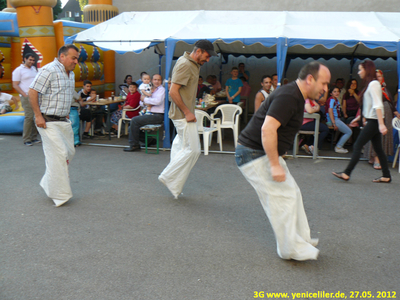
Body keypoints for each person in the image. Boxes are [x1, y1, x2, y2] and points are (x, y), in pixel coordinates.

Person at [235, 61, 330, 260]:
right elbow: (267, 129)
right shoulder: (289, 95)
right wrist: (274, 164)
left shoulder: (295, 95)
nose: (325, 89)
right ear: (310, 79)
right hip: (253, 153)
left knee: (292, 193)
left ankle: (301, 240)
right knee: (283, 199)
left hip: (261, 152)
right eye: (324, 83)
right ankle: (290, 249)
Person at [158, 39, 217, 199]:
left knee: (180, 147)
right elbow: (173, 91)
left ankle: (174, 187)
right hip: (182, 115)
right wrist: (187, 112)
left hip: (184, 114)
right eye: (207, 55)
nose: (208, 59)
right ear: (198, 51)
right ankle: (168, 176)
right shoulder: (185, 64)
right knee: (193, 149)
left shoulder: (192, 63)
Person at [28, 44, 79, 207]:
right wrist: (37, 116)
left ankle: (47, 182)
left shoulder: (70, 74)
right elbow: (33, 91)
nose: (76, 62)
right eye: (73, 58)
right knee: (59, 155)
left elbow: (64, 94)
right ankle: (60, 195)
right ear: (62, 57)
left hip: (63, 120)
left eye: (77, 58)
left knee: (69, 153)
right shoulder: (49, 69)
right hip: (47, 121)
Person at [332, 60, 391, 183]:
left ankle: (346, 173)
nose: (358, 72)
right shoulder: (371, 84)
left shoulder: (374, 84)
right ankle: (386, 175)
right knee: (378, 149)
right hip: (373, 120)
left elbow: (378, 105)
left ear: (366, 70)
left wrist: (381, 124)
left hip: (374, 122)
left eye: (360, 70)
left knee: (358, 145)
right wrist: (359, 118)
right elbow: (369, 106)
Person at [364, 69, 400, 169]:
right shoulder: (373, 88)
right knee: (377, 136)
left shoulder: (384, 89)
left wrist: (395, 112)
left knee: (382, 136)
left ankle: (374, 157)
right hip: (377, 115)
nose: (378, 78)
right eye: (376, 76)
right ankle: (376, 159)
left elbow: (390, 102)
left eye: (379, 76)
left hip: (387, 116)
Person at [123, 74, 165, 152]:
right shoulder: (150, 88)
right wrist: (146, 101)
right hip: (149, 113)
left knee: (134, 120)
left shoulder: (162, 90)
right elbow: (141, 103)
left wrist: (145, 99)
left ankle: (134, 145)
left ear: (161, 81)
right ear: (152, 80)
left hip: (157, 115)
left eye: (158, 80)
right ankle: (149, 141)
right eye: (155, 79)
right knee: (131, 127)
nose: (156, 81)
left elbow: (157, 101)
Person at [12, 53, 39, 146]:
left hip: (35, 95)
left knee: (36, 116)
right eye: (30, 60)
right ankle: (27, 138)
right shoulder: (18, 70)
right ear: (25, 59)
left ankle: (34, 137)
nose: (31, 62)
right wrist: (24, 94)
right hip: (26, 96)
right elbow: (15, 84)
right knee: (29, 117)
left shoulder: (34, 69)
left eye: (33, 60)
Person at [326, 86, 352, 153]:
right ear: (331, 93)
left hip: (336, 120)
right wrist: (334, 123)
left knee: (347, 130)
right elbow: (330, 111)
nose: (337, 93)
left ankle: (339, 146)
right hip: (333, 120)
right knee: (349, 132)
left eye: (338, 91)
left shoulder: (336, 99)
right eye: (335, 91)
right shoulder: (332, 100)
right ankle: (338, 147)